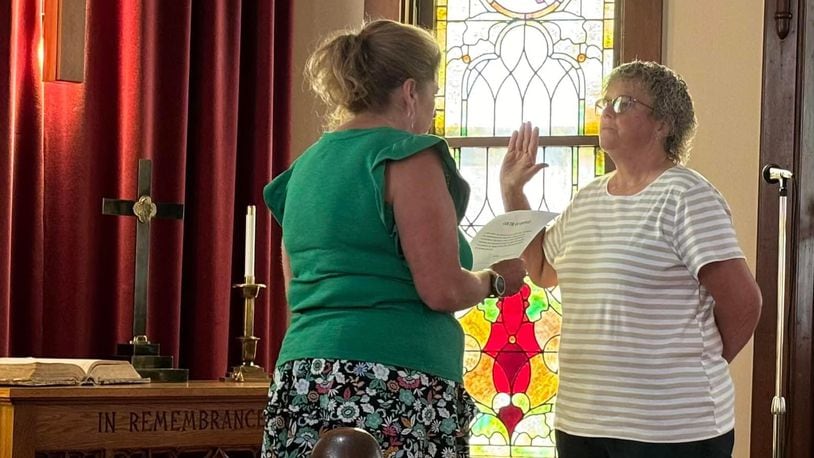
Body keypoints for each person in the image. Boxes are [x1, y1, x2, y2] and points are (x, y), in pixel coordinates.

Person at [261, 20, 527, 458]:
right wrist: (494, 280)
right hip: (393, 379)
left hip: (303, 377)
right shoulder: (407, 157)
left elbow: (298, 288)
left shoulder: (304, 168)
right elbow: (441, 289)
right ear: (409, 92)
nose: (432, 108)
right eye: (434, 94)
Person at [500, 61, 762, 457]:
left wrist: (693, 367)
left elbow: (744, 303)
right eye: (605, 101)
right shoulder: (588, 197)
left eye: (623, 103)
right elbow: (541, 270)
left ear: (664, 125)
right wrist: (513, 192)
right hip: (581, 420)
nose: (607, 112)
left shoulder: (686, 196)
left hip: (671, 429)